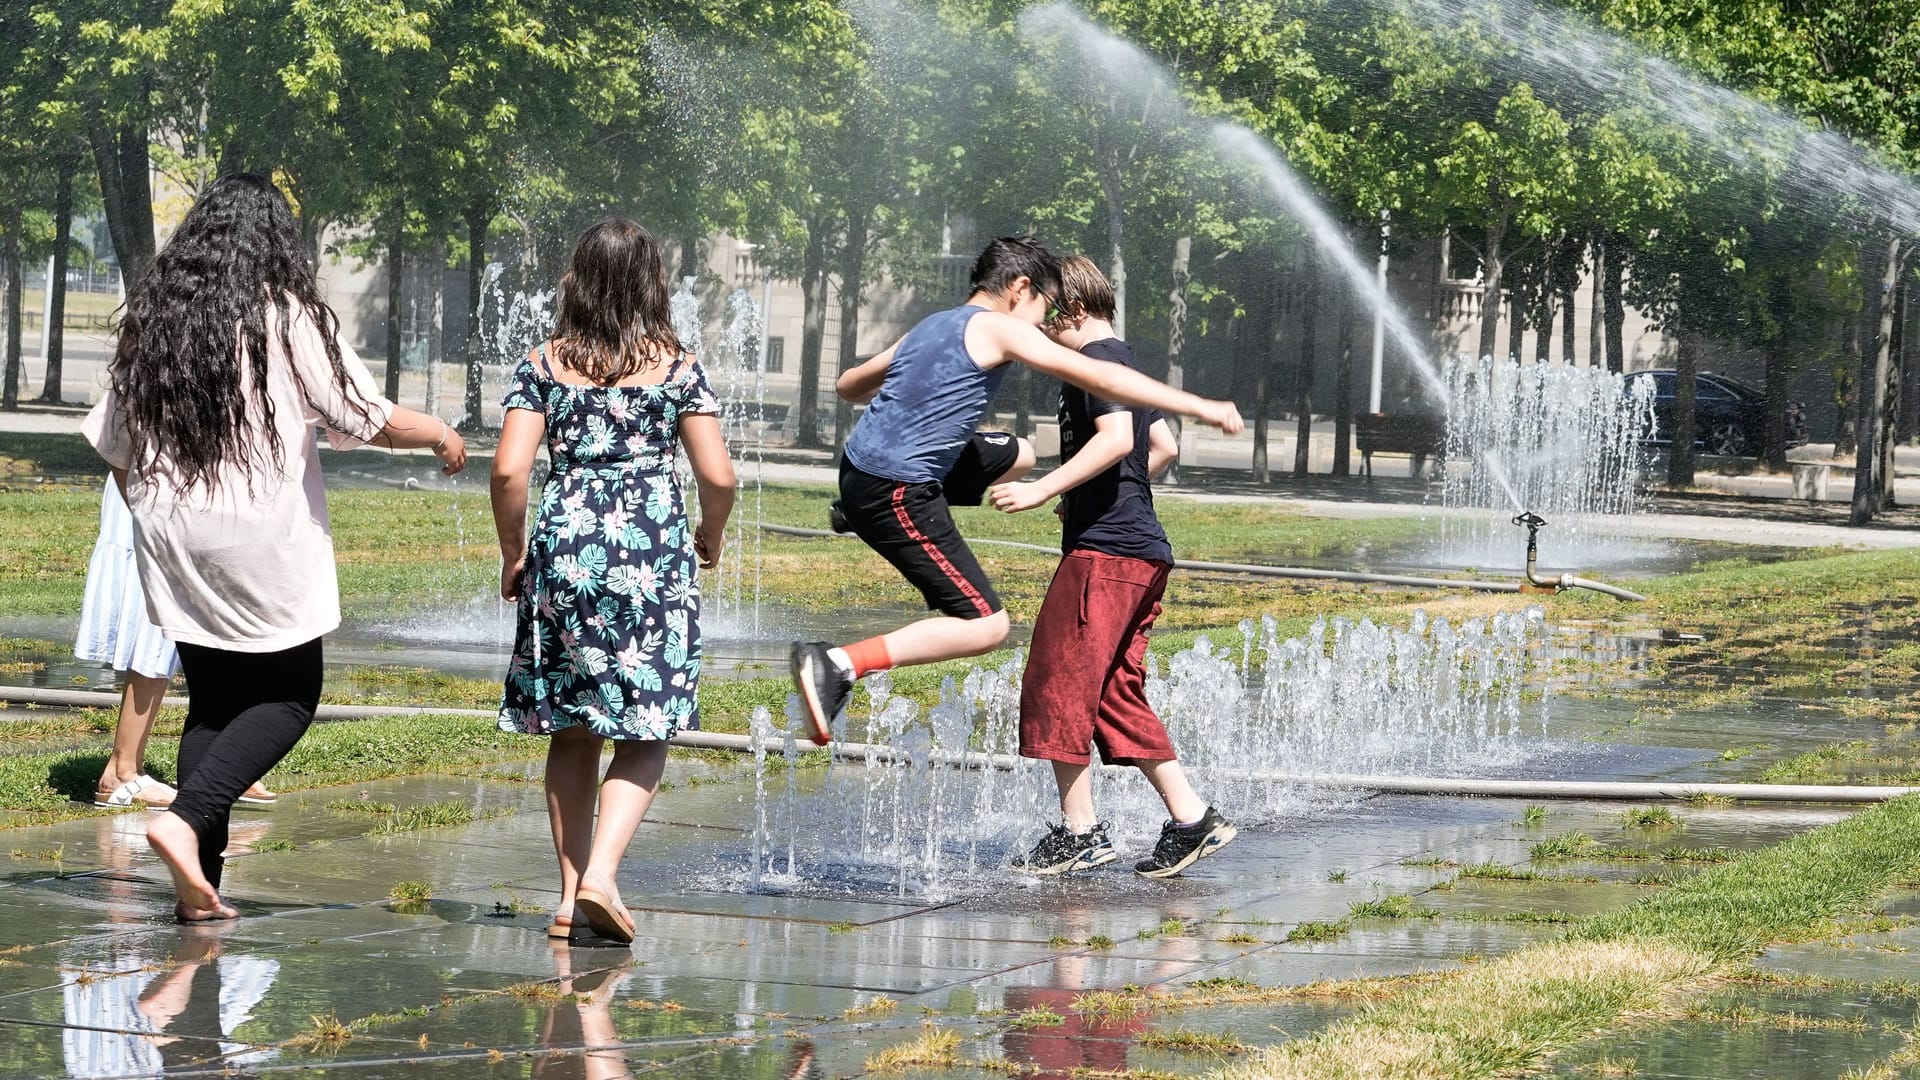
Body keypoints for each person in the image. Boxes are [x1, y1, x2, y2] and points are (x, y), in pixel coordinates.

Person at [84, 173, 468, 923]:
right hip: (256, 534)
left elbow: (116, 444)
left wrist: (152, 514)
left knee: (216, 705)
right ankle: (185, 822)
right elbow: (365, 416)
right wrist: (444, 434)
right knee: (291, 696)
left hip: (172, 534)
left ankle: (202, 886)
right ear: (274, 242)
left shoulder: (157, 319)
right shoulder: (288, 316)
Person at [788, 237, 1243, 744]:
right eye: (1043, 307)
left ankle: (860, 513)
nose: (1042, 322)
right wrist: (1198, 405)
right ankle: (838, 664)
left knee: (1021, 453)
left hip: (857, 472)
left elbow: (849, 385)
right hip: (895, 488)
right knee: (986, 626)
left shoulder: (933, 324)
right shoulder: (1003, 328)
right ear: (1020, 288)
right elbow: (1101, 377)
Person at [491, 219, 735, 947]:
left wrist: (514, 551)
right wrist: (710, 533)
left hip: (565, 548)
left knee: (571, 726)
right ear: (653, 283)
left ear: (577, 280)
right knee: (645, 723)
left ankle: (570, 898)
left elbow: (508, 470)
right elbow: (717, 474)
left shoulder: (542, 363)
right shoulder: (677, 368)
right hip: (651, 553)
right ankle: (603, 873)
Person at [992, 255, 1235, 878]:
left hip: (1108, 553)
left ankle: (1081, 833)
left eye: (1042, 314)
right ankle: (1192, 820)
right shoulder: (1123, 361)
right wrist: (1094, 493)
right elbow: (1163, 447)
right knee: (1110, 693)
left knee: (1058, 681)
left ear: (1069, 311)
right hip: (1138, 549)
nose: (1035, 328)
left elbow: (1119, 440)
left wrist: (1048, 489)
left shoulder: (1095, 362)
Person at [76, 481, 276, 810]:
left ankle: (218, 760)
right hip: (163, 483)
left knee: (217, 615)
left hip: (197, 481)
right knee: (157, 625)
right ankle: (122, 771)